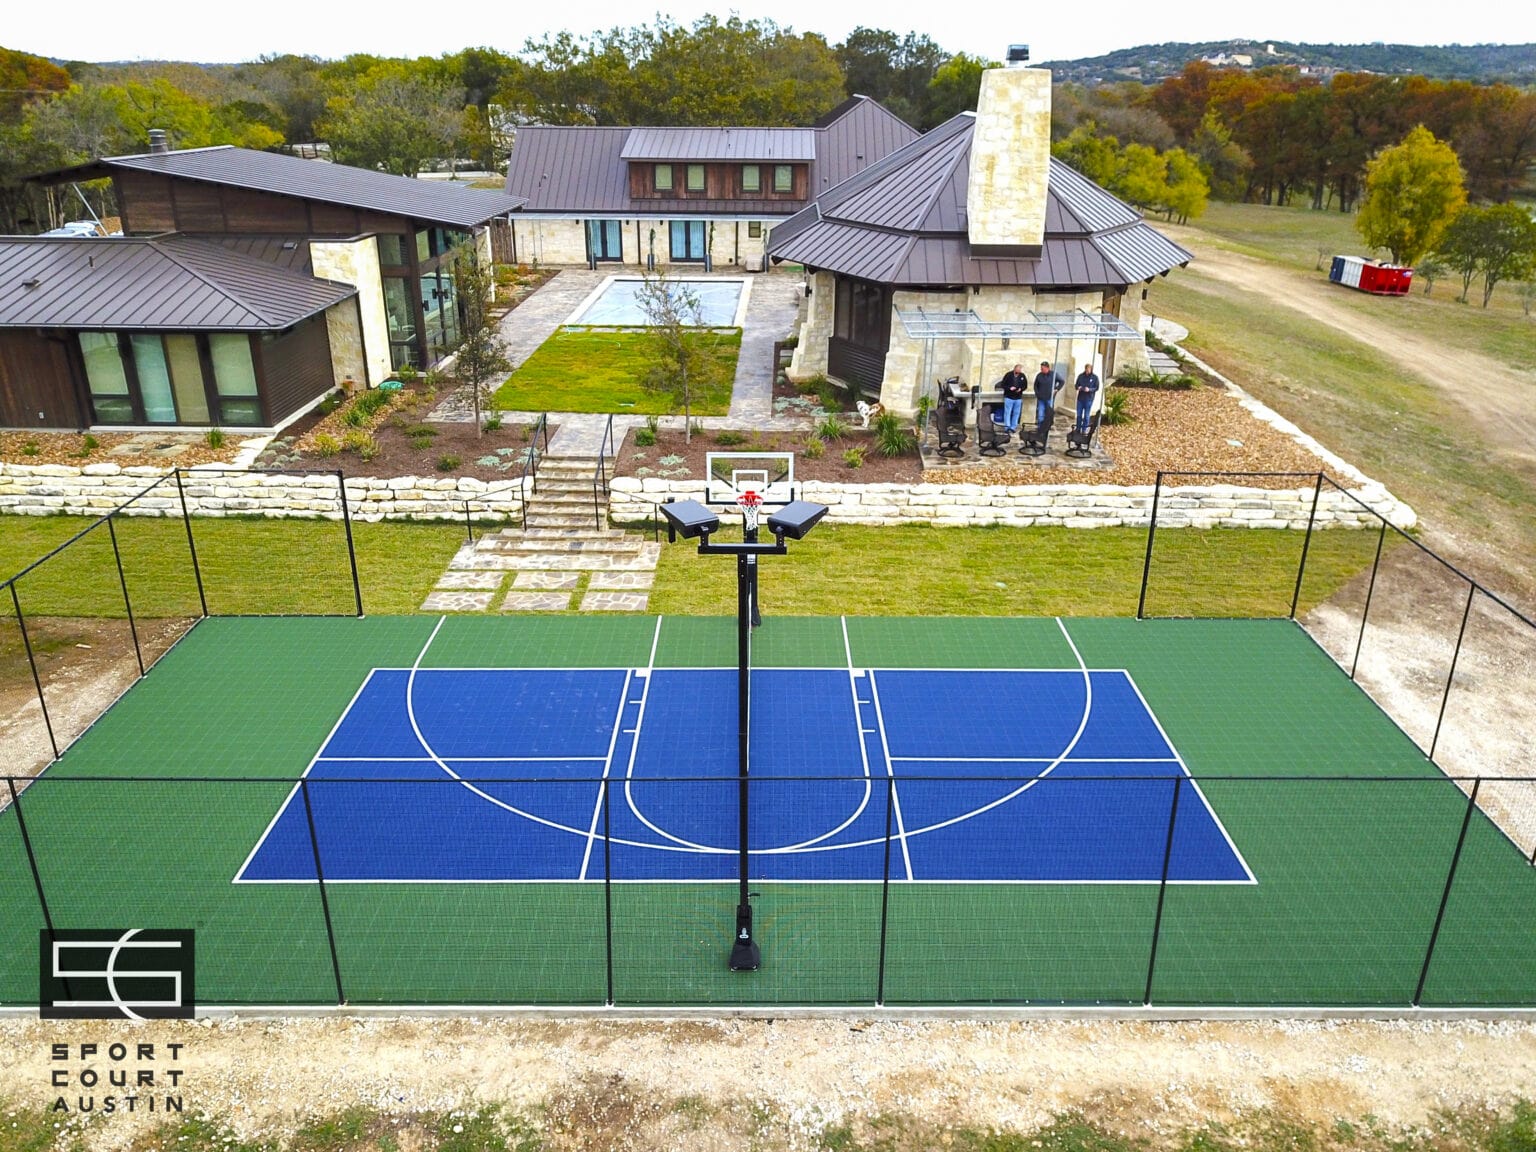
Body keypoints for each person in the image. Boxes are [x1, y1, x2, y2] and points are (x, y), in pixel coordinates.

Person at [997, 364, 1027, 432]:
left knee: (1016, 413)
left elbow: (1025, 385)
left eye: (1020, 370)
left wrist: (1020, 389)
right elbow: (1003, 385)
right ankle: (1007, 427)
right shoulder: (1008, 375)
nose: (1019, 372)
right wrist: (1009, 388)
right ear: (1015, 369)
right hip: (1009, 397)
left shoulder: (1022, 376)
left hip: (1018, 398)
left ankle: (1013, 427)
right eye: (1018, 370)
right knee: (1007, 412)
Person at [1032, 360, 1062, 427]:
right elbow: (1035, 385)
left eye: (1042, 368)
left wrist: (1057, 389)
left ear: (1047, 368)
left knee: (1049, 413)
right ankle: (1040, 427)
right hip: (1041, 398)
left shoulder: (1053, 374)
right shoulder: (1039, 375)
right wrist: (1037, 393)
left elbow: (1062, 381)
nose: (1041, 369)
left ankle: (1048, 426)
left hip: (1049, 398)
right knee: (1040, 414)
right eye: (1041, 368)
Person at [1074, 363, 1101, 434]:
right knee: (1079, 415)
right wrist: (1078, 387)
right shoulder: (1081, 376)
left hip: (1088, 399)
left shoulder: (1095, 377)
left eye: (1089, 369)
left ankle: (1084, 429)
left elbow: (1097, 387)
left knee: (1086, 416)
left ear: (1091, 369)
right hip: (1080, 398)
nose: (1087, 370)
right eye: (1086, 369)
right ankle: (1078, 428)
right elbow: (1076, 385)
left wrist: (1089, 389)